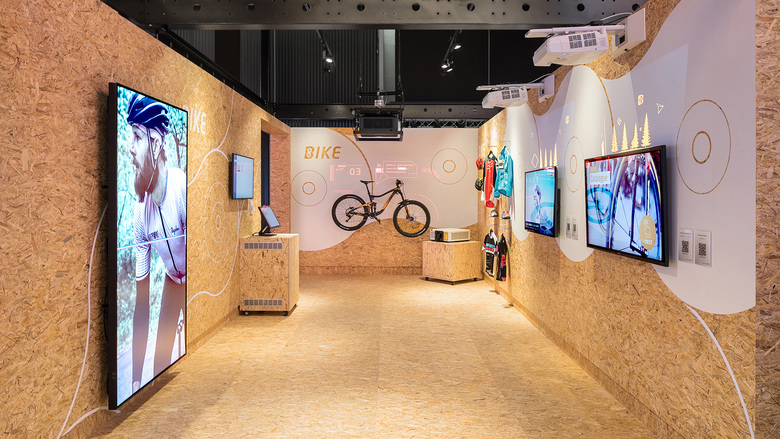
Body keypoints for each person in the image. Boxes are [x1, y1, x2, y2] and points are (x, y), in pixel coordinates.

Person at [126, 93, 187, 392]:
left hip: (194, 277)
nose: (130, 148)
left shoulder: (181, 188)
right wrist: (136, 379)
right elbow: (141, 302)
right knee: (157, 366)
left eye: (136, 137)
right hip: (173, 280)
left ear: (156, 142)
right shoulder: (141, 213)